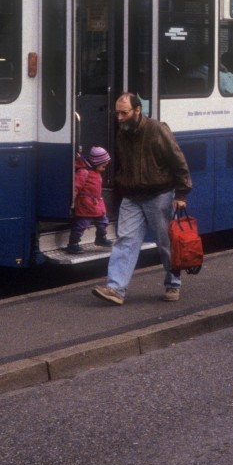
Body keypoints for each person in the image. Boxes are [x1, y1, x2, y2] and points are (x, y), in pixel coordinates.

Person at [93, 92, 193, 306]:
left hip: (159, 195)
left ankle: (173, 283)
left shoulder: (157, 129)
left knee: (165, 243)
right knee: (125, 241)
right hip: (132, 196)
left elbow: (179, 161)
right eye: (117, 113)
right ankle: (116, 289)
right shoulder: (123, 132)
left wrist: (182, 193)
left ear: (138, 110)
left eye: (124, 113)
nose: (119, 118)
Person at [68, 146, 111, 252]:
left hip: (96, 204)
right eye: (103, 166)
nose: (104, 169)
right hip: (85, 205)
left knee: (103, 222)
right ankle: (73, 243)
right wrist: (72, 201)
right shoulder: (83, 172)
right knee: (81, 225)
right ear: (96, 163)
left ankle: (101, 237)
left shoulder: (96, 172)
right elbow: (76, 187)